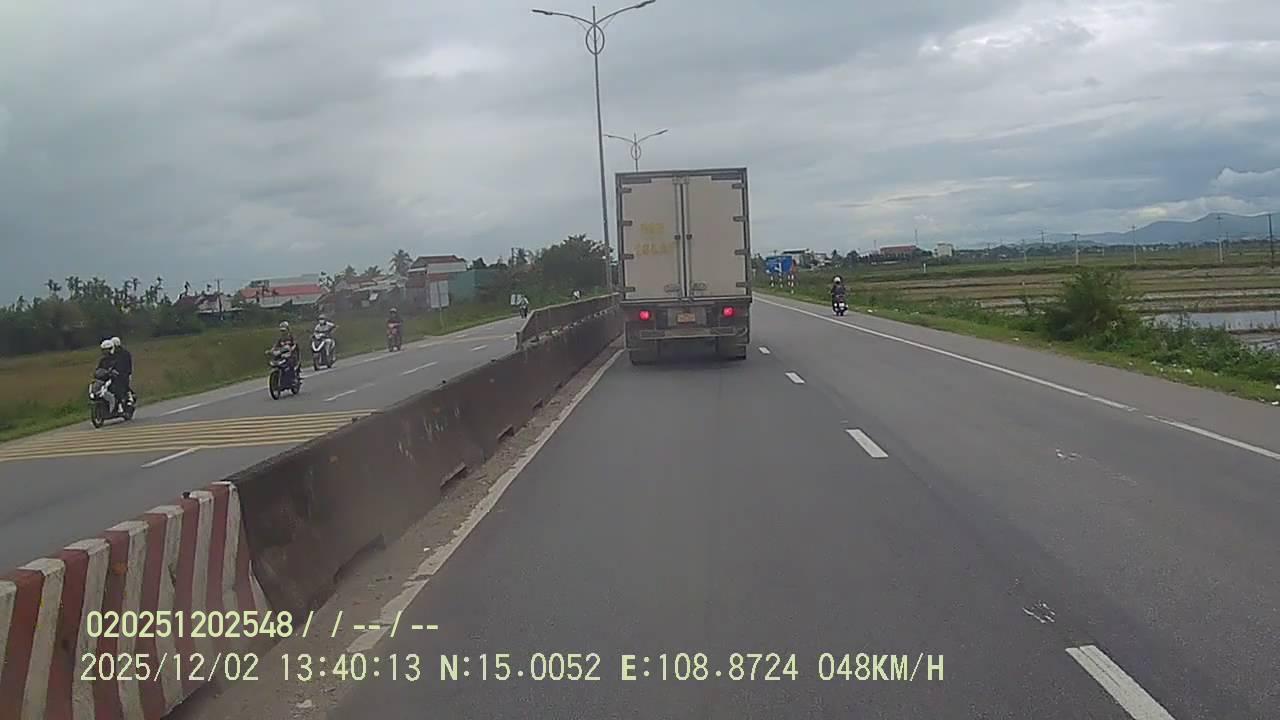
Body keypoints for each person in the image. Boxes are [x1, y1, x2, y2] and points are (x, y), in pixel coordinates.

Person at [109, 336, 133, 409]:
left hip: (123, 374)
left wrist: (125, 373)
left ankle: (128, 398)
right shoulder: (112, 354)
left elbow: (127, 365)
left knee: (122, 385)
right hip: (113, 374)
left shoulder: (125, 354)